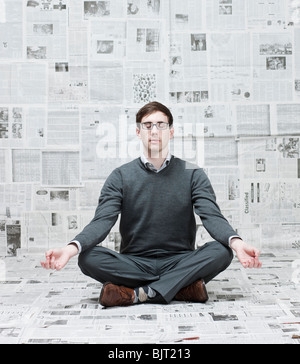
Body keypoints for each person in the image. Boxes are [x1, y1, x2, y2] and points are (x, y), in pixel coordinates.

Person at [41, 101, 262, 307]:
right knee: (88, 257)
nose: (154, 131)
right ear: (138, 132)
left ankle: (138, 293)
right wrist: (70, 249)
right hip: (135, 262)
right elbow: (102, 221)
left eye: (161, 125)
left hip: (180, 260)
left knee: (222, 251)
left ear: (171, 132)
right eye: (147, 125)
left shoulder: (193, 174)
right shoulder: (120, 176)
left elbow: (212, 217)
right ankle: (180, 288)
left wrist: (237, 243)